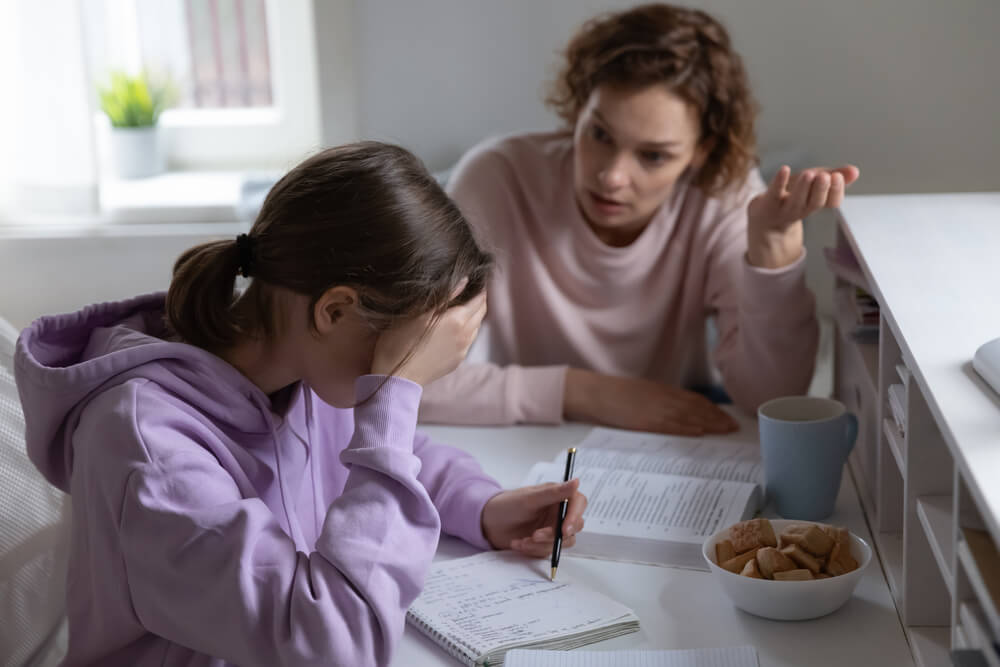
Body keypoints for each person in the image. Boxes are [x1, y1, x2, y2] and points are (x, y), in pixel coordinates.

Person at [14, 142, 587, 667]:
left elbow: (393, 454)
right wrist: (391, 395)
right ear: (334, 312)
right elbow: (337, 646)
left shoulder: (304, 370)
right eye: (403, 358)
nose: (399, 381)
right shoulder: (149, 449)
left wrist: (485, 505)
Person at [420, 3, 859, 436]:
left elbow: (772, 399)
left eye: (653, 156)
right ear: (578, 111)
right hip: (522, 441)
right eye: (599, 134)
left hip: (660, 453)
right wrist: (584, 392)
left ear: (701, 151)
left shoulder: (722, 198)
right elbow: (402, 377)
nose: (611, 176)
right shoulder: (498, 178)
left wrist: (772, 252)